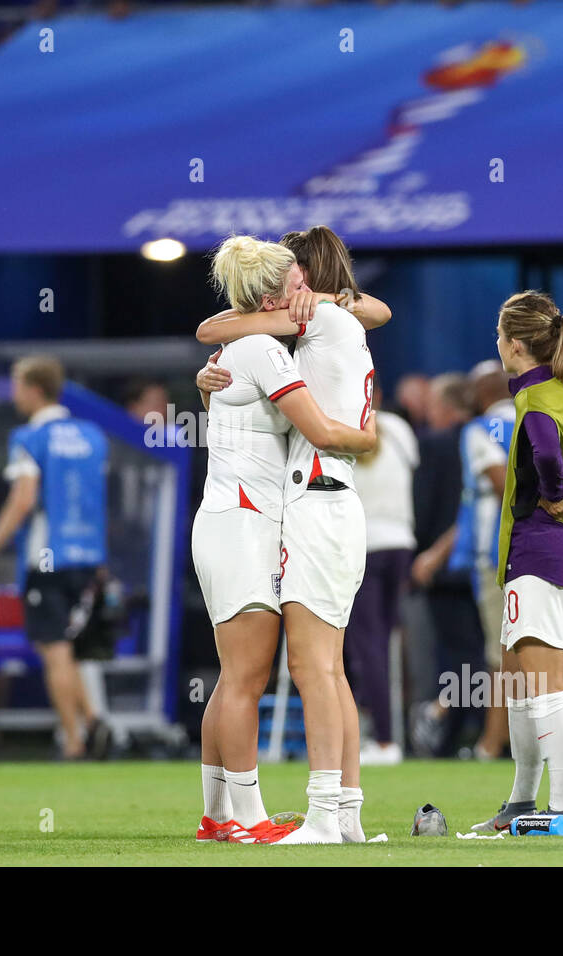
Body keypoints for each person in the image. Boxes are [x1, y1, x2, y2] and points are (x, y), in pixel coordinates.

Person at [195, 225, 385, 844]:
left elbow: (213, 330)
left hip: (316, 500)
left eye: (299, 275)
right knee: (322, 669)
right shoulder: (309, 328)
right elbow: (214, 334)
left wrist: (363, 437)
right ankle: (340, 814)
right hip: (314, 505)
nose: (295, 288)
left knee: (310, 669)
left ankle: (321, 816)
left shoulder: (318, 321)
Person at [470, 291, 563, 835]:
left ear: (515, 344)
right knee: (521, 682)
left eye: (499, 337)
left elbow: (549, 453)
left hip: (537, 551)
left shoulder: (534, 400)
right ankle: (520, 802)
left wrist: (556, 498)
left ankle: (562, 810)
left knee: (543, 683)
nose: (498, 346)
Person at [0, 355, 112, 761]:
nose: (13, 394)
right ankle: (93, 720)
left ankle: (74, 740)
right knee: (71, 651)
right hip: (89, 557)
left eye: (18, 385)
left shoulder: (29, 439)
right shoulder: (94, 436)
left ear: (35, 390)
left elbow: (23, 500)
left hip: (47, 560)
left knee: (54, 650)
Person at [408, 373, 482, 757]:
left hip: (446, 568)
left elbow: (422, 508)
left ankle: (443, 720)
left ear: (447, 407)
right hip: (486, 564)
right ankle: (470, 737)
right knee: (482, 653)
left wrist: (424, 553)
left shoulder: (435, 445)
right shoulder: (486, 437)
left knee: (462, 655)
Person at [348, 379, 419, 765]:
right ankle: (384, 733)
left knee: (369, 645)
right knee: (387, 642)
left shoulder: (339, 428)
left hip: (365, 547)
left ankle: (386, 740)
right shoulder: (401, 430)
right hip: (401, 546)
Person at [459, 360, 516, 760]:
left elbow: (503, 486)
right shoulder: (537, 418)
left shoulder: (480, 431)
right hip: (545, 552)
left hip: (500, 553)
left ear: (480, 394)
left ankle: (492, 743)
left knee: (502, 653)